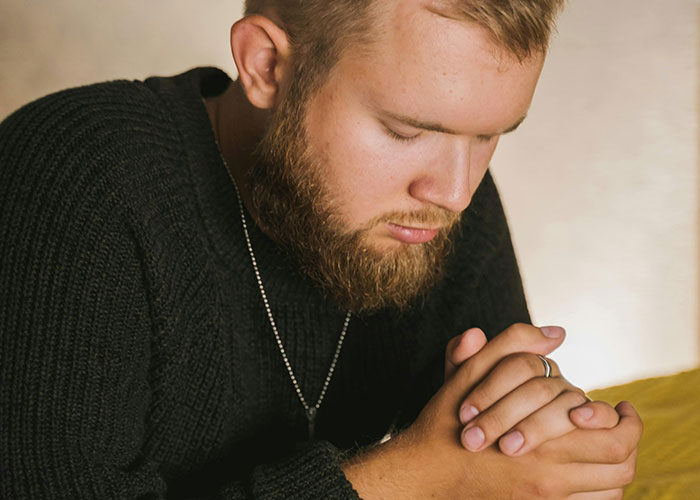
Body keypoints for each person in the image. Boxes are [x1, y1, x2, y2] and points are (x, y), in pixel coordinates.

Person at [0, 0, 642, 498]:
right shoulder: (71, 175)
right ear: (266, 66)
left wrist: (552, 440)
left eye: (490, 136)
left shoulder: (436, 197)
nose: (454, 192)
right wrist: (415, 476)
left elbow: (493, 455)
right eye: (406, 130)